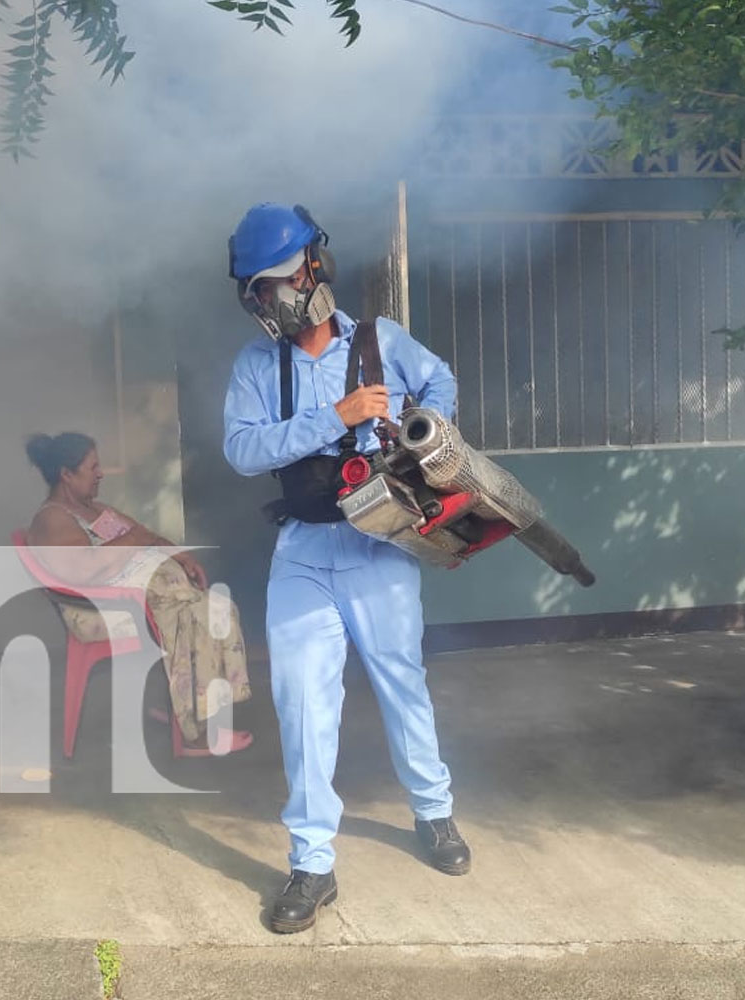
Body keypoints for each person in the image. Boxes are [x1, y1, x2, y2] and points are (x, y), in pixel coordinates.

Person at [221, 202, 470, 934]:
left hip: (380, 546)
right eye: (260, 291)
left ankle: (435, 813)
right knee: (301, 703)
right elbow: (242, 450)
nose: (273, 301)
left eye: (277, 283)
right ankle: (312, 862)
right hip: (303, 550)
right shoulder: (256, 366)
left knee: (402, 683)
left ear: (313, 268)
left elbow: (441, 380)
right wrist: (336, 414)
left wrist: (429, 442)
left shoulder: (379, 341)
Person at [24, 432, 254, 757]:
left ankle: (180, 707)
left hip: (142, 601)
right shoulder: (53, 519)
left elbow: (146, 535)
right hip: (103, 611)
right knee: (202, 616)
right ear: (66, 475)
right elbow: (86, 569)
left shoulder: (94, 510)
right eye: (93, 467)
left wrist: (179, 556)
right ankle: (195, 733)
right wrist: (134, 541)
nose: (100, 474)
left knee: (214, 608)